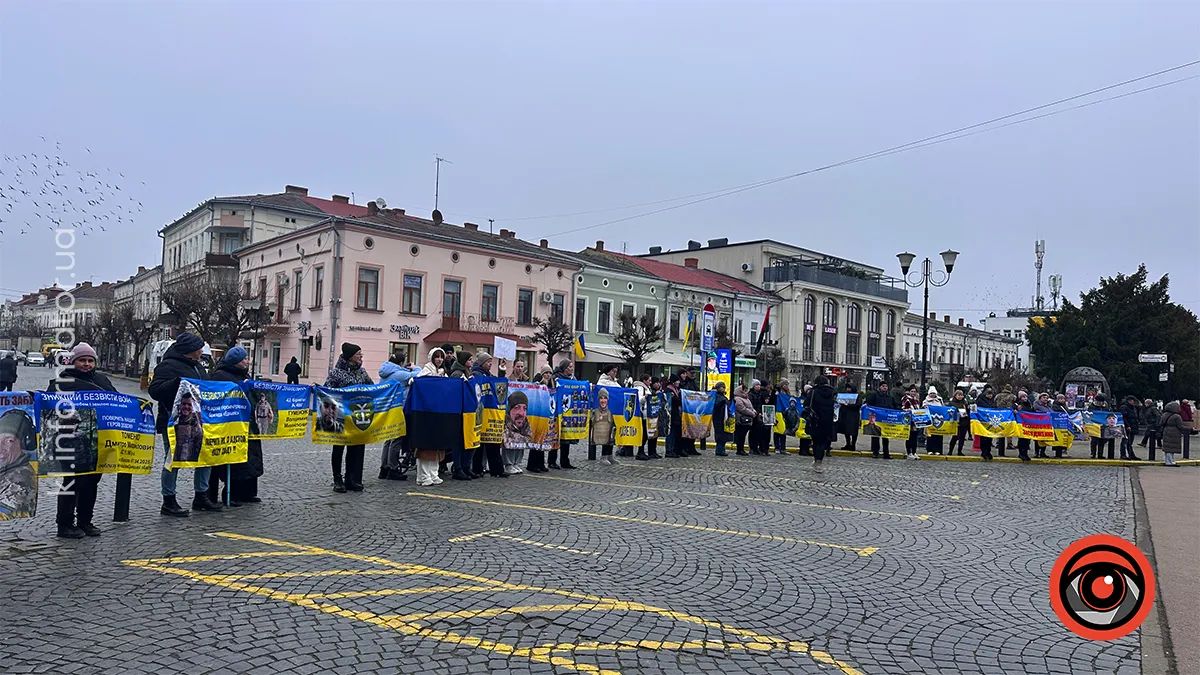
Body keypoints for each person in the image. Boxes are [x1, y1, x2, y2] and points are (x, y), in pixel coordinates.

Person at [46, 343, 114, 537]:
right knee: (71, 481)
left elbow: (117, 401)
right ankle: (65, 523)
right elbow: (50, 408)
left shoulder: (102, 380)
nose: (86, 364)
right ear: (74, 362)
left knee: (92, 481)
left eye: (90, 360)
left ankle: (86, 521)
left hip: (97, 440)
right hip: (69, 440)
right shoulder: (62, 382)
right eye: (82, 360)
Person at [148, 332, 218, 517]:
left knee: (205, 457)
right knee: (173, 460)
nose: (202, 351)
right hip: (174, 421)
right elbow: (155, 390)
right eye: (199, 348)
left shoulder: (198, 367)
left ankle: (201, 496)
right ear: (190, 350)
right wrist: (176, 383)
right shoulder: (168, 366)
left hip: (199, 420)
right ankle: (168, 500)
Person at [207, 346, 264, 506]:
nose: (248, 361)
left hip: (247, 421)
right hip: (231, 422)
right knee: (234, 458)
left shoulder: (243, 375)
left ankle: (247, 492)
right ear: (236, 361)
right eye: (245, 359)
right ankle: (232, 493)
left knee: (250, 456)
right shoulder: (221, 376)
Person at [325, 342, 373, 493]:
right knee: (339, 447)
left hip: (358, 415)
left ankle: (353, 478)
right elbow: (327, 391)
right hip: (340, 416)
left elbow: (372, 388)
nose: (361, 357)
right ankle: (337, 479)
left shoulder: (362, 373)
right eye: (359, 354)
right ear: (351, 357)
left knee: (357, 447)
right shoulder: (336, 373)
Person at [377, 353, 420, 481]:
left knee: (388, 439)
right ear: (401, 363)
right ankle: (393, 468)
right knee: (396, 439)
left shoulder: (385, 373)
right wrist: (414, 367)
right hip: (398, 408)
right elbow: (418, 374)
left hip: (386, 408)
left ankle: (384, 468)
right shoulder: (400, 375)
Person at [413, 348, 448, 486]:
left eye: (441, 357)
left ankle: (434, 473)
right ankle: (423, 475)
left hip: (439, 413)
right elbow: (416, 382)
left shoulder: (443, 373)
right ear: (431, 358)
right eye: (436, 357)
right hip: (426, 412)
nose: (439, 359)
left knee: (436, 445)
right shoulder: (425, 371)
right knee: (425, 445)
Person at [469, 352, 504, 478]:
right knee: (479, 445)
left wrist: (502, 374)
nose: (490, 364)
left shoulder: (489, 375)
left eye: (491, 362)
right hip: (480, 411)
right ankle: (477, 468)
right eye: (488, 362)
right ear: (482, 363)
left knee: (492, 441)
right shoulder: (476, 374)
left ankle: (497, 469)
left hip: (490, 412)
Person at [0, 407, 37, 520]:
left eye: (9, 441)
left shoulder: (21, 482)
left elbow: (5, 515)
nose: (1, 447)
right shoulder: (6, 467)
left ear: (24, 444)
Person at [551, 359, 578, 469]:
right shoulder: (556, 379)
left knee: (566, 438)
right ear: (564, 368)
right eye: (569, 367)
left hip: (568, 411)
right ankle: (552, 461)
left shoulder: (573, 379)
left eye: (572, 367)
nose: (571, 369)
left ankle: (565, 461)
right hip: (558, 411)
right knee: (556, 437)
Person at [808, 375, 836, 472]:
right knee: (823, 442)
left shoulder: (814, 392)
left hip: (816, 419)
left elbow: (808, 404)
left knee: (816, 441)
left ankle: (817, 460)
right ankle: (819, 460)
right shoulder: (832, 392)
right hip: (828, 420)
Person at [865, 382, 896, 459]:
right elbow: (869, 404)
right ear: (880, 387)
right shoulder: (874, 395)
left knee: (886, 437)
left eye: (886, 386)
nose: (885, 388)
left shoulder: (890, 397)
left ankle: (886, 453)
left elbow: (893, 406)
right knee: (875, 436)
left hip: (886, 420)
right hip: (876, 419)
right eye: (883, 386)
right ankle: (875, 452)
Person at [590, 387, 617, 465]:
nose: (603, 400)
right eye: (601, 398)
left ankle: (609, 455)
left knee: (611, 435)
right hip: (600, 431)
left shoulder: (611, 410)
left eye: (605, 398)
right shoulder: (596, 411)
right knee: (605, 435)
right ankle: (603, 457)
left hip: (609, 424)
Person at [1159, 401, 1189, 467]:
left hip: (1166, 431)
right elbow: (1180, 426)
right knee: (1171, 448)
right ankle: (1170, 462)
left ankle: (1166, 460)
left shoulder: (1164, 415)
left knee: (1167, 448)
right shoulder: (1177, 416)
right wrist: (1190, 429)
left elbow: (1160, 423)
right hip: (1174, 433)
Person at [973, 385, 998, 461]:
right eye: (989, 394)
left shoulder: (993, 401)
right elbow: (976, 408)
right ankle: (984, 452)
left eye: (991, 394)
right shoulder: (980, 400)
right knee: (983, 438)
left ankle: (988, 451)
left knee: (989, 438)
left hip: (990, 422)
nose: (990, 396)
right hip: (982, 422)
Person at [748, 379, 771, 456]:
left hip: (761, 415)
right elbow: (751, 405)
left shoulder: (761, 394)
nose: (758, 386)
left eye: (759, 385)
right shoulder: (751, 394)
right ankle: (752, 448)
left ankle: (757, 448)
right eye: (756, 385)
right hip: (754, 415)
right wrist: (756, 412)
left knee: (759, 433)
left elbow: (763, 403)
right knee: (753, 432)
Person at [899, 384, 921, 460]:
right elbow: (903, 408)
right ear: (909, 391)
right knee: (909, 437)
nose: (913, 393)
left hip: (916, 420)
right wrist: (909, 411)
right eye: (912, 391)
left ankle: (914, 452)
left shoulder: (916, 400)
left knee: (915, 437)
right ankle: (909, 452)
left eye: (915, 391)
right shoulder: (906, 399)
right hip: (909, 420)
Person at [732, 383, 755, 456]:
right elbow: (742, 409)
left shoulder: (746, 398)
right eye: (744, 390)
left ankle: (741, 449)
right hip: (741, 419)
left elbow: (750, 407)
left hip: (747, 419)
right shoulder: (738, 399)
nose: (746, 392)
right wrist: (752, 413)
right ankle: (740, 449)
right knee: (741, 435)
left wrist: (753, 411)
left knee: (743, 435)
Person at [922, 386, 944, 456]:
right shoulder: (925, 401)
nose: (932, 394)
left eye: (933, 393)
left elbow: (943, 408)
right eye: (931, 393)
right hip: (930, 421)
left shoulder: (940, 400)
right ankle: (930, 450)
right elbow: (924, 409)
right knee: (930, 436)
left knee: (938, 436)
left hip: (939, 420)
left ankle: (938, 450)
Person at [994, 384, 1016, 456]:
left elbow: (994, 402)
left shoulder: (998, 395)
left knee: (999, 428)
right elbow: (1015, 403)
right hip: (1008, 414)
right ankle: (1009, 443)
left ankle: (998, 443)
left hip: (999, 413)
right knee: (1008, 429)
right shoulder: (1012, 396)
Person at [1013, 390, 1035, 462]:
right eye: (1023, 397)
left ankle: (1025, 453)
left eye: (1025, 396)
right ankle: (1021, 453)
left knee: (1027, 440)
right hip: (1020, 424)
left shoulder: (1029, 404)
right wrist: (1016, 411)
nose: (1025, 398)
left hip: (1028, 424)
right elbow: (1012, 410)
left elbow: (1032, 411)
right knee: (1022, 439)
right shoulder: (1017, 404)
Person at [772, 381, 792, 455]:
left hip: (785, 413)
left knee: (784, 431)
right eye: (785, 385)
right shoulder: (778, 394)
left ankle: (783, 447)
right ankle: (777, 447)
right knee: (778, 431)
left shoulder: (787, 394)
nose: (787, 386)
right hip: (778, 412)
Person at [947, 388, 969, 456]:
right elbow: (948, 412)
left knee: (962, 438)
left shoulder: (965, 403)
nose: (960, 396)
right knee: (955, 437)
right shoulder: (952, 403)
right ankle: (950, 451)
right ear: (955, 395)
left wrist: (967, 409)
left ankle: (960, 451)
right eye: (959, 395)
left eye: (961, 395)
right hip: (956, 423)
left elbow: (968, 412)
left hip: (964, 422)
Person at [1119, 396, 1142, 460]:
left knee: (1129, 442)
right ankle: (1123, 455)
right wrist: (1127, 425)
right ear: (1129, 401)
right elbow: (1123, 417)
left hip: (1133, 426)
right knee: (1125, 441)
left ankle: (1131, 455)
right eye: (1132, 401)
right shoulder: (1124, 407)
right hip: (1127, 427)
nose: (1133, 402)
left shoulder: (1133, 408)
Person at [839, 385, 861, 450]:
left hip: (854, 415)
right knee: (846, 430)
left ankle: (853, 445)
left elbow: (858, 405)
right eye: (847, 388)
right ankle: (848, 444)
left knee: (854, 431)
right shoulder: (845, 395)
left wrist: (848, 405)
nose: (848, 389)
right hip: (846, 415)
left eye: (849, 388)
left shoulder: (857, 396)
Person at [711, 381, 730, 456]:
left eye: (724, 387)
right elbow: (715, 406)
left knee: (723, 435)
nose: (723, 388)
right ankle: (719, 450)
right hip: (718, 418)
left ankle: (721, 449)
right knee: (719, 435)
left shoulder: (723, 396)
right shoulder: (716, 396)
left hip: (723, 417)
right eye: (722, 387)